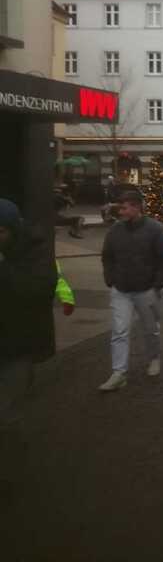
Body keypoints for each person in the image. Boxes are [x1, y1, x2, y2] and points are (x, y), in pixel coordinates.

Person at [0, 199, 57, 501]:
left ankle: (8, 476)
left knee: (6, 417)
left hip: (16, 347)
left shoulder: (35, 250)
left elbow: (37, 290)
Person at [98, 190, 163, 392]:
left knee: (151, 329)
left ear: (136, 207)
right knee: (119, 330)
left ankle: (154, 358)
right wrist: (110, 278)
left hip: (147, 290)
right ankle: (119, 373)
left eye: (124, 207)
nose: (121, 211)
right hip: (121, 290)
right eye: (120, 207)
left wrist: (157, 285)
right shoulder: (115, 230)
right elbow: (107, 256)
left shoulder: (156, 230)